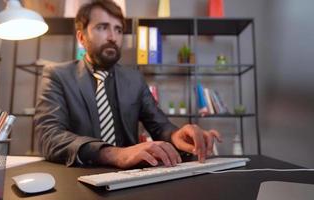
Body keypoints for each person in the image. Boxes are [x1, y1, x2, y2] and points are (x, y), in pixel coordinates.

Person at [34, 0, 222, 168]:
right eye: (102, 27)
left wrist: (177, 135)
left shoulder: (134, 79)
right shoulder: (57, 75)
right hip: (77, 177)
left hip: (130, 179)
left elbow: (160, 125)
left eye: (118, 30)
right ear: (81, 37)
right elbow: (49, 137)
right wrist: (114, 153)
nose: (112, 37)